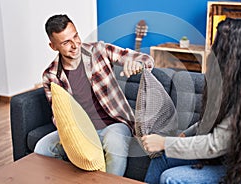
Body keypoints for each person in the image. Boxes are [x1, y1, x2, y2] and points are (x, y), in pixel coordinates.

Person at [141, 18, 241, 183]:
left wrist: (165, 142)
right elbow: (216, 119)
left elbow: (215, 144)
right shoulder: (240, 83)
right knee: (161, 158)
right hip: (235, 157)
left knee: (171, 178)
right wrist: (186, 134)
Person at [34, 14, 154, 176]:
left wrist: (137, 64)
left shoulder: (99, 50)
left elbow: (146, 59)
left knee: (115, 143)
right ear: (53, 46)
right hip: (80, 130)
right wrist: (76, 139)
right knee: (42, 148)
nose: (75, 45)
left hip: (113, 124)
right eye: (65, 42)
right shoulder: (51, 76)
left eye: (75, 36)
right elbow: (59, 116)